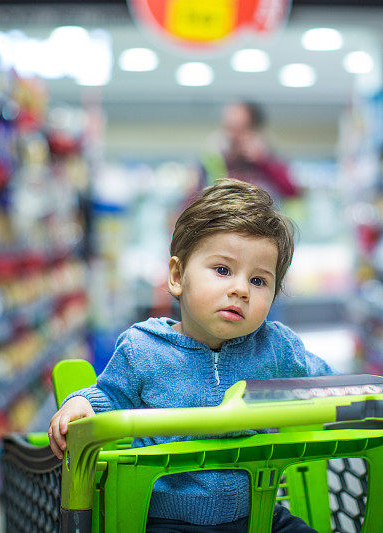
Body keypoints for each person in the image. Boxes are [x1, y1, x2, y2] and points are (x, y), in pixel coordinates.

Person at [48, 178, 331, 532]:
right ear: (178, 276)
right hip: (164, 519)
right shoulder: (143, 348)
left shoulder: (276, 347)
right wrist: (81, 404)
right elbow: (109, 394)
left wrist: (372, 402)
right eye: (223, 270)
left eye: (259, 281)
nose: (240, 289)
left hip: (257, 513)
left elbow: (327, 383)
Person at [198, 101, 300, 200]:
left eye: (239, 129)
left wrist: (263, 162)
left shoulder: (272, 161)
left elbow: (292, 193)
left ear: (255, 131)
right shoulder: (212, 161)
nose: (232, 136)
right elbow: (193, 199)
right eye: (228, 128)